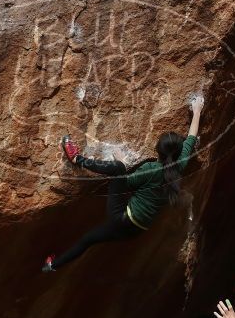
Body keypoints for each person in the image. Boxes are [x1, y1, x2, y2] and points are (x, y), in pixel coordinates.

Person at [41, 96, 204, 272]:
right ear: (178, 153)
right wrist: (197, 112)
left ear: (158, 150)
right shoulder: (180, 165)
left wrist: (121, 160)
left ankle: (77, 159)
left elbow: (124, 182)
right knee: (88, 240)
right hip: (135, 230)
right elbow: (192, 138)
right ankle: (50, 266)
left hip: (122, 217)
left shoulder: (152, 168)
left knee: (118, 168)